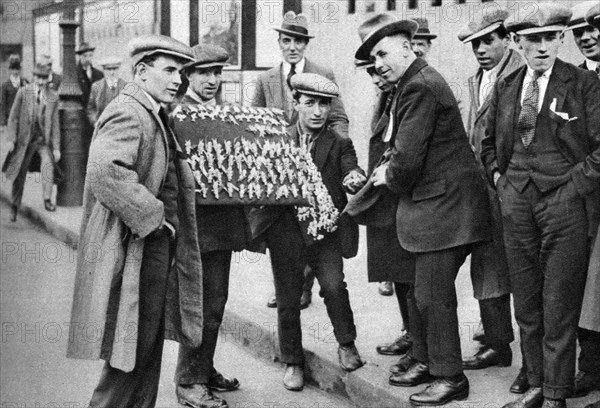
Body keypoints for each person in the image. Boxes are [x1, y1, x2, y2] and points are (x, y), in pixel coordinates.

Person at [358, 13, 492, 405]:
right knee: (423, 290)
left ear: (405, 47)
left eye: (382, 53)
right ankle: (427, 359)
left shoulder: (419, 87)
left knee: (433, 294)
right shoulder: (413, 82)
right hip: (441, 204)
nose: (378, 63)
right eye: (373, 57)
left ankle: (450, 377)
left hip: (448, 207)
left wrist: (387, 175)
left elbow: (407, 160)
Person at [66, 35, 204, 408]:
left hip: (150, 244)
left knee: (145, 348)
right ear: (142, 72)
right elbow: (106, 172)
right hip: (136, 244)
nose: (179, 79)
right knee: (129, 352)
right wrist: (156, 220)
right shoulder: (128, 110)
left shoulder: (152, 110)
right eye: (170, 70)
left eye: (182, 72)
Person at [480, 4, 600, 407]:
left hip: (563, 206)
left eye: (551, 37)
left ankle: (555, 395)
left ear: (561, 38)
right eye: (533, 39)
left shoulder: (583, 84)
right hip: (516, 203)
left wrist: (573, 187)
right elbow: (486, 143)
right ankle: (535, 382)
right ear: (517, 42)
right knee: (527, 301)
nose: (543, 46)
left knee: (559, 304)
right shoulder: (507, 85)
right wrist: (501, 179)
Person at [247, 72, 366, 392]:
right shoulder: (277, 139)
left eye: (324, 105)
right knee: (288, 296)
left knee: (334, 286)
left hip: (325, 231)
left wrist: (354, 178)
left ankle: (346, 343)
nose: (317, 111)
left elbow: (351, 169)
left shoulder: (339, 142)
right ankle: (293, 362)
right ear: (296, 103)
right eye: (310, 103)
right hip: (285, 230)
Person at [252, 11, 350, 310]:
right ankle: (288, 288)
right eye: (287, 40)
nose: (292, 46)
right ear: (279, 43)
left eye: (298, 41)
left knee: (314, 226)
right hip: (281, 170)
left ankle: (306, 285)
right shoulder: (266, 79)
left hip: (317, 166)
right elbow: (255, 123)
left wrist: (333, 151)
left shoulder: (323, 72)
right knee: (282, 229)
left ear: (306, 44)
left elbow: (339, 118)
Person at [171, 43, 251, 408]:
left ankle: (204, 367)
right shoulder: (179, 116)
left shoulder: (220, 114)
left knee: (215, 303)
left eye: (217, 73)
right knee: (198, 306)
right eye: (204, 73)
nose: (212, 80)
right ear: (188, 75)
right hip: (194, 229)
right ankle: (189, 381)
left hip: (220, 228)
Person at [457, 4, 524, 390]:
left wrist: (505, 179)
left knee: (527, 272)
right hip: (482, 190)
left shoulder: (520, 74)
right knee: (486, 266)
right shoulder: (478, 78)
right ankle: (499, 345)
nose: (481, 49)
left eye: (488, 41)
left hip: (514, 188)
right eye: (474, 44)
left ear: (505, 39)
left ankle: (539, 365)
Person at [354, 59, 416, 368]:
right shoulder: (388, 96)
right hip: (385, 197)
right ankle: (409, 333)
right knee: (396, 270)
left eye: (379, 71)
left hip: (403, 195)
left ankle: (419, 343)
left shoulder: (409, 95)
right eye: (370, 73)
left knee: (411, 274)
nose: (376, 79)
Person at [567, 0, 600, 400]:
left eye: (594, 28)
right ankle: (590, 369)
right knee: (584, 285)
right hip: (582, 198)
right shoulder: (574, 80)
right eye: (579, 33)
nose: (588, 37)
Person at [3, 62, 60, 221]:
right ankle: (14, 205)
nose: (41, 81)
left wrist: (56, 148)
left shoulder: (53, 96)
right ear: (34, 77)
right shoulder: (23, 92)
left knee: (48, 164)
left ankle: (47, 199)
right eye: (38, 77)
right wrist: (11, 139)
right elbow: (13, 117)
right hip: (24, 141)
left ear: (47, 78)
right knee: (19, 172)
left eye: (44, 78)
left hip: (42, 142)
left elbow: (55, 125)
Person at [87, 56, 126, 125]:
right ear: (104, 70)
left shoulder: (125, 86)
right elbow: (91, 108)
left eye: (115, 69)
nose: (112, 72)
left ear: (119, 69)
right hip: (102, 126)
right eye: (108, 69)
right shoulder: (96, 87)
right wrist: (95, 122)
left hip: (121, 126)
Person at [0, 54, 28, 130]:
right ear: (10, 69)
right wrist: (2, 123)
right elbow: (3, 104)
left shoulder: (24, 82)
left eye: (17, 69)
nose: (15, 71)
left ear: (20, 69)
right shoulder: (5, 85)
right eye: (13, 69)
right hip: (10, 117)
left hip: (23, 117)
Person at [75, 42, 104, 108]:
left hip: (95, 111)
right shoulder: (74, 74)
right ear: (80, 56)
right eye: (85, 56)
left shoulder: (99, 74)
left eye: (90, 55)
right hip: (80, 111)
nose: (88, 59)